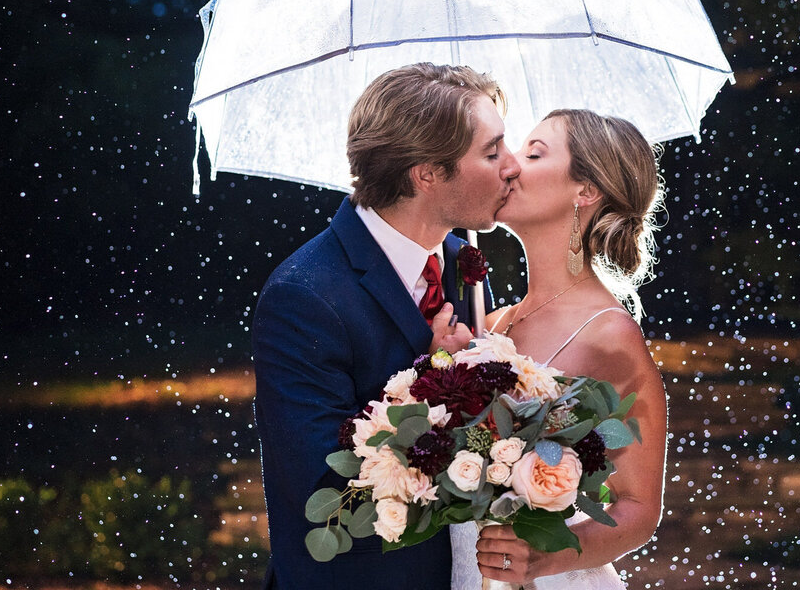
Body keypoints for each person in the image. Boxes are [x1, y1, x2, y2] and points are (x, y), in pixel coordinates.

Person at [252, 63, 521, 589]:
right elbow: (324, 489)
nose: (512, 166)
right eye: (491, 153)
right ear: (427, 173)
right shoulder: (302, 296)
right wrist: (435, 376)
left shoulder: (463, 263)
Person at [451, 109, 669, 590]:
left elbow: (637, 507)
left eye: (533, 153)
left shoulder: (609, 335)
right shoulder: (492, 321)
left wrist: (542, 559)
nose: (509, 164)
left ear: (585, 191)